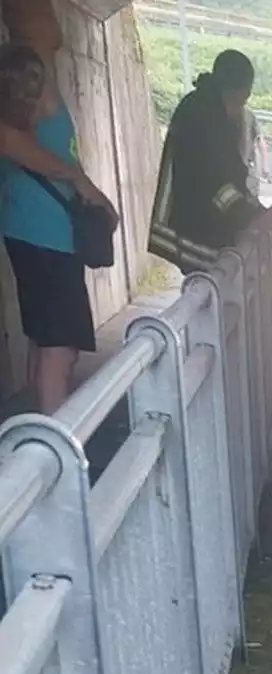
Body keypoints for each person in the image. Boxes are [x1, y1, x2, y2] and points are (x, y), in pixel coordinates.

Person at [0, 15, 118, 415]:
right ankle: (57, 454)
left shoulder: (26, 75)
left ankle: (43, 441)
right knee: (59, 352)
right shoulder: (25, 77)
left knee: (45, 343)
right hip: (44, 233)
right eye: (43, 12)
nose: (53, 20)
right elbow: (8, 138)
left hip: (34, 231)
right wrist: (76, 178)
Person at [150, 49, 272, 275]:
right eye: (243, 100)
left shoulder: (200, 105)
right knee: (213, 286)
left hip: (187, 221)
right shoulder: (207, 119)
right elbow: (218, 184)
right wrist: (254, 215)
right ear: (237, 92)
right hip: (192, 227)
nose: (241, 109)